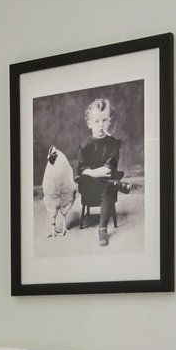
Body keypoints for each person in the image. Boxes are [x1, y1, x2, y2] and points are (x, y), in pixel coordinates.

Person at [75, 98, 125, 246]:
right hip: (89, 186)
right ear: (89, 123)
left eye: (104, 120)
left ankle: (102, 229)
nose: (101, 125)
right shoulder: (85, 146)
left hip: (106, 183)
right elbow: (81, 169)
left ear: (110, 121)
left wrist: (90, 171)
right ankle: (114, 184)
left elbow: (108, 170)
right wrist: (92, 173)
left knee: (108, 185)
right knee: (102, 181)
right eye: (97, 121)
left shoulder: (114, 145)